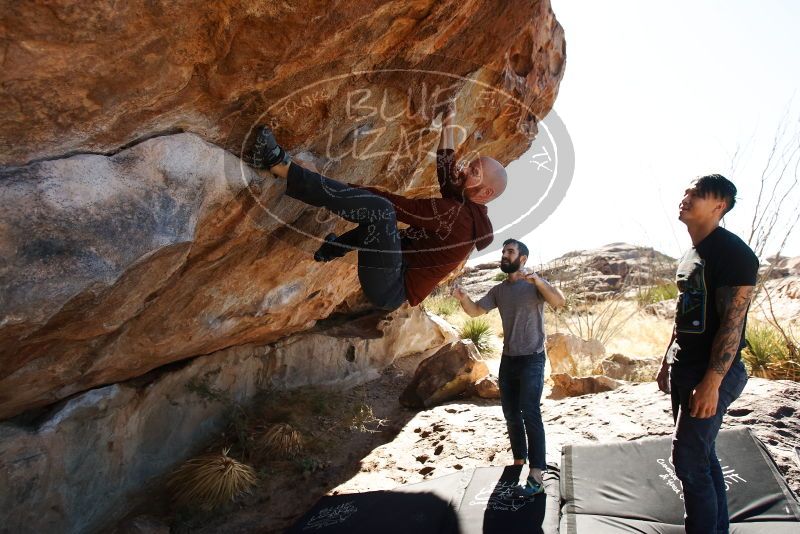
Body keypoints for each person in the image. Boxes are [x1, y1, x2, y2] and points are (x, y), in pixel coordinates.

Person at [250, 106, 507, 311]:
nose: (462, 170)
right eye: (469, 165)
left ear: (486, 193)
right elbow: (446, 168)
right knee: (381, 224)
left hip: (390, 286)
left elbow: (396, 207)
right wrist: (449, 122)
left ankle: (277, 164)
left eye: (473, 172)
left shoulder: (459, 217)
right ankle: (330, 249)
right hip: (392, 268)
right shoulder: (464, 204)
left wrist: (324, 181)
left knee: (382, 211)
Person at [656, 174, 758, 534]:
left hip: (713, 373)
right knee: (701, 456)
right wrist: (667, 358)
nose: (686, 196)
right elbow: (685, 309)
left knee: (686, 461)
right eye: (686, 190)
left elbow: (733, 324)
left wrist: (712, 383)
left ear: (720, 206)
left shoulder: (733, 253)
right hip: (685, 368)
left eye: (697, 193)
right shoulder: (691, 253)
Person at [452, 238, 565, 496]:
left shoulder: (534, 285)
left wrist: (537, 280)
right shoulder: (499, 290)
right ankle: (518, 463)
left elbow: (559, 301)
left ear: (522, 259)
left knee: (530, 412)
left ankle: (537, 473)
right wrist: (463, 297)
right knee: (511, 414)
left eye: (510, 252)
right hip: (509, 359)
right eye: (503, 251)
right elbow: (475, 311)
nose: (504, 255)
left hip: (533, 359)